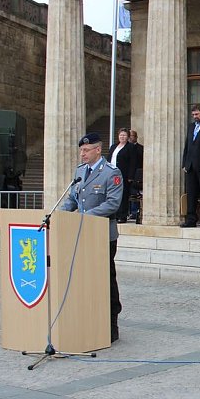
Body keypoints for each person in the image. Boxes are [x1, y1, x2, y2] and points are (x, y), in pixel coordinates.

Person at [61, 132, 123, 343]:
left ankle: (111, 323)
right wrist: (60, 214)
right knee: (84, 277)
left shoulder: (111, 173)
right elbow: (72, 199)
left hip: (103, 235)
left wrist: (86, 216)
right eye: (81, 150)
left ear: (98, 150)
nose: (82, 154)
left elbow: (112, 204)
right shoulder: (80, 172)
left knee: (106, 278)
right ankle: (88, 319)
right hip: (81, 235)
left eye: (86, 150)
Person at [108, 128, 139, 224]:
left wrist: (130, 176)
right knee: (112, 195)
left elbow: (133, 162)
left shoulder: (130, 147)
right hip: (112, 175)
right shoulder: (113, 146)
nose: (122, 137)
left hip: (123, 175)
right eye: (121, 135)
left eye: (124, 135)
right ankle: (114, 215)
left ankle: (122, 215)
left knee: (123, 195)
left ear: (128, 137)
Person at [128, 129, 144, 221]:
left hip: (137, 175)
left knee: (136, 193)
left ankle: (135, 212)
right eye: (129, 135)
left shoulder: (140, 148)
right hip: (128, 174)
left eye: (132, 136)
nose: (130, 137)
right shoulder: (125, 147)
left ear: (136, 137)